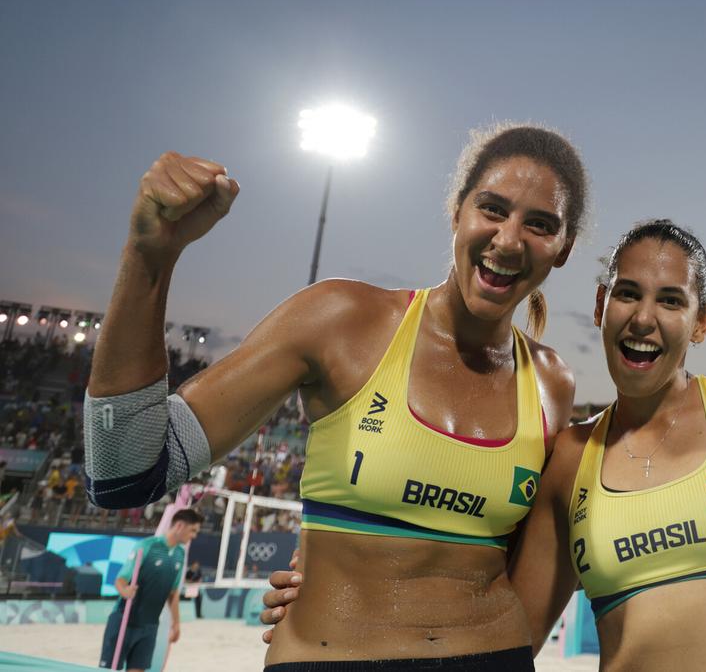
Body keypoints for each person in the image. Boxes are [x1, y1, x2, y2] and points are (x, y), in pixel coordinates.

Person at [266, 220, 706, 671]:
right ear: (600, 306)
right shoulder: (566, 460)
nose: (643, 318)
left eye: (670, 300)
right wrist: (343, 589)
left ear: (702, 320)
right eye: (626, 294)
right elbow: (512, 629)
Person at [84, 124, 587, 671]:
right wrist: (148, 258)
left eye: (540, 225)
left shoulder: (550, 383)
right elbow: (123, 471)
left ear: (562, 250)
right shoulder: (342, 320)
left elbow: (531, 564)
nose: (509, 240)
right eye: (492, 209)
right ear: (456, 211)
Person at [99, 509, 202, 671]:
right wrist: (125, 591)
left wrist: (176, 624)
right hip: (124, 621)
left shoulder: (180, 555)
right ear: (180, 526)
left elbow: (173, 593)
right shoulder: (146, 546)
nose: (194, 536)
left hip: (150, 626)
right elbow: (120, 580)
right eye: (193, 530)